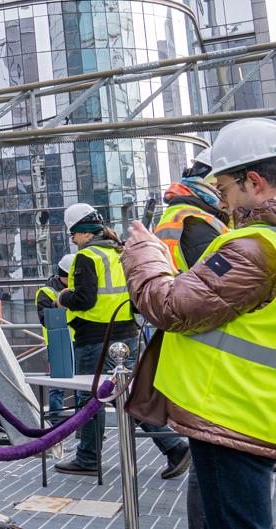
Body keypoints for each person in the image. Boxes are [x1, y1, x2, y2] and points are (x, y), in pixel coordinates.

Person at [123, 117, 276, 529]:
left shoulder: (255, 248)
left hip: (232, 408)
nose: (223, 203)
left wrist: (144, 255)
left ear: (254, 182)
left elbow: (172, 308)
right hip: (250, 403)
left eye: (224, 190)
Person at [53, 203, 191, 479]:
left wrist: (64, 297)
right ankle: (174, 447)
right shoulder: (121, 251)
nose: (74, 241)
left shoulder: (87, 256)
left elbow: (85, 300)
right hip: (126, 334)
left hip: (95, 338)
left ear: (83, 232)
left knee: (90, 399)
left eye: (73, 235)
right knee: (125, 395)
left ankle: (88, 457)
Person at [152, 151, 229, 529]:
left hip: (198, 348)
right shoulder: (195, 222)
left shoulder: (190, 216)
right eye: (226, 183)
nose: (228, 194)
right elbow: (221, 290)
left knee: (210, 460)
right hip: (209, 352)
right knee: (212, 462)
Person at [152, 149, 230, 272]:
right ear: (212, 184)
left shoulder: (181, 213)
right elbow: (224, 277)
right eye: (224, 189)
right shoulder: (195, 222)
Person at [34, 253, 74, 426]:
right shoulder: (46, 292)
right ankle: (57, 425)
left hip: (81, 341)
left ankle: (83, 426)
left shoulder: (79, 288)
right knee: (58, 386)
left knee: (83, 389)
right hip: (58, 343)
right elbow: (45, 318)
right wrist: (58, 303)